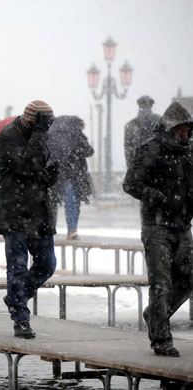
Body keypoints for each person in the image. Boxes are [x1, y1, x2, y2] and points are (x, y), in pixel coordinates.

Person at [123, 101, 193, 357]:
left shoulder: (188, 152)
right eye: (180, 130)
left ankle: (154, 316)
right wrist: (156, 197)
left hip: (183, 225)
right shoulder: (150, 149)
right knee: (161, 283)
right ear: (169, 128)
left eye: (188, 130)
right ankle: (161, 339)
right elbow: (130, 184)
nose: (184, 135)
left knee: (187, 280)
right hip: (157, 226)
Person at [0, 100, 59, 339]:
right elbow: (24, 165)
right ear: (32, 121)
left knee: (47, 264)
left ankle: (15, 297)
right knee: (17, 267)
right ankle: (20, 317)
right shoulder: (8, 136)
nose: (48, 127)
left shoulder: (38, 135)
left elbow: (31, 172)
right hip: (13, 211)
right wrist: (39, 133)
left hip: (37, 211)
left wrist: (47, 177)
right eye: (44, 123)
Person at [47, 116, 94, 240]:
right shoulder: (77, 135)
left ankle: (51, 229)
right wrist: (77, 150)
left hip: (56, 175)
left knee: (52, 204)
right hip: (74, 175)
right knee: (72, 203)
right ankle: (72, 230)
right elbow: (89, 151)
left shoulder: (53, 135)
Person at [124, 95, 161, 168]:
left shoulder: (130, 125)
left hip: (138, 167)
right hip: (156, 166)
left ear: (138, 106)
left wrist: (131, 168)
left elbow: (128, 150)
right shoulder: (159, 121)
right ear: (152, 106)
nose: (145, 108)